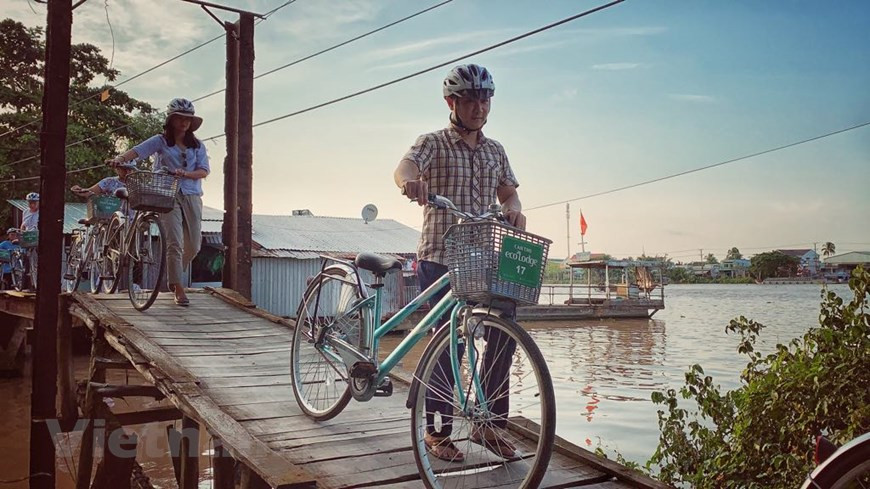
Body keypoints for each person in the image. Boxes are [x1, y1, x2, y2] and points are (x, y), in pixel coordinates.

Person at [393, 63, 525, 462]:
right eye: (470, 99)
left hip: (481, 257)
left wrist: (515, 209)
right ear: (452, 101)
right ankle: (437, 432)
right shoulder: (432, 142)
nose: (479, 106)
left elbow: (509, 194)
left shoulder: (495, 150)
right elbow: (404, 168)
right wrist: (410, 183)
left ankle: (489, 425)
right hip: (439, 254)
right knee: (448, 339)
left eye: (485, 98)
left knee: (506, 326)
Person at [107, 98, 209, 306]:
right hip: (165, 193)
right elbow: (137, 151)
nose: (184, 123)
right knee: (174, 241)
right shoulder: (161, 141)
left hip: (191, 194)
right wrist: (120, 159)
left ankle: (175, 273)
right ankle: (178, 287)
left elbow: (204, 171)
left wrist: (186, 173)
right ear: (171, 120)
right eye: (180, 119)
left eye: (187, 119)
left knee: (194, 245)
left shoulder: (197, 146)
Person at [71, 161, 138, 200]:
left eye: (130, 169)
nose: (127, 172)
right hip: (110, 219)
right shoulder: (109, 181)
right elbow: (90, 191)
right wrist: (79, 190)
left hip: (132, 221)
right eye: (124, 169)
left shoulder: (137, 185)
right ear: (117, 169)